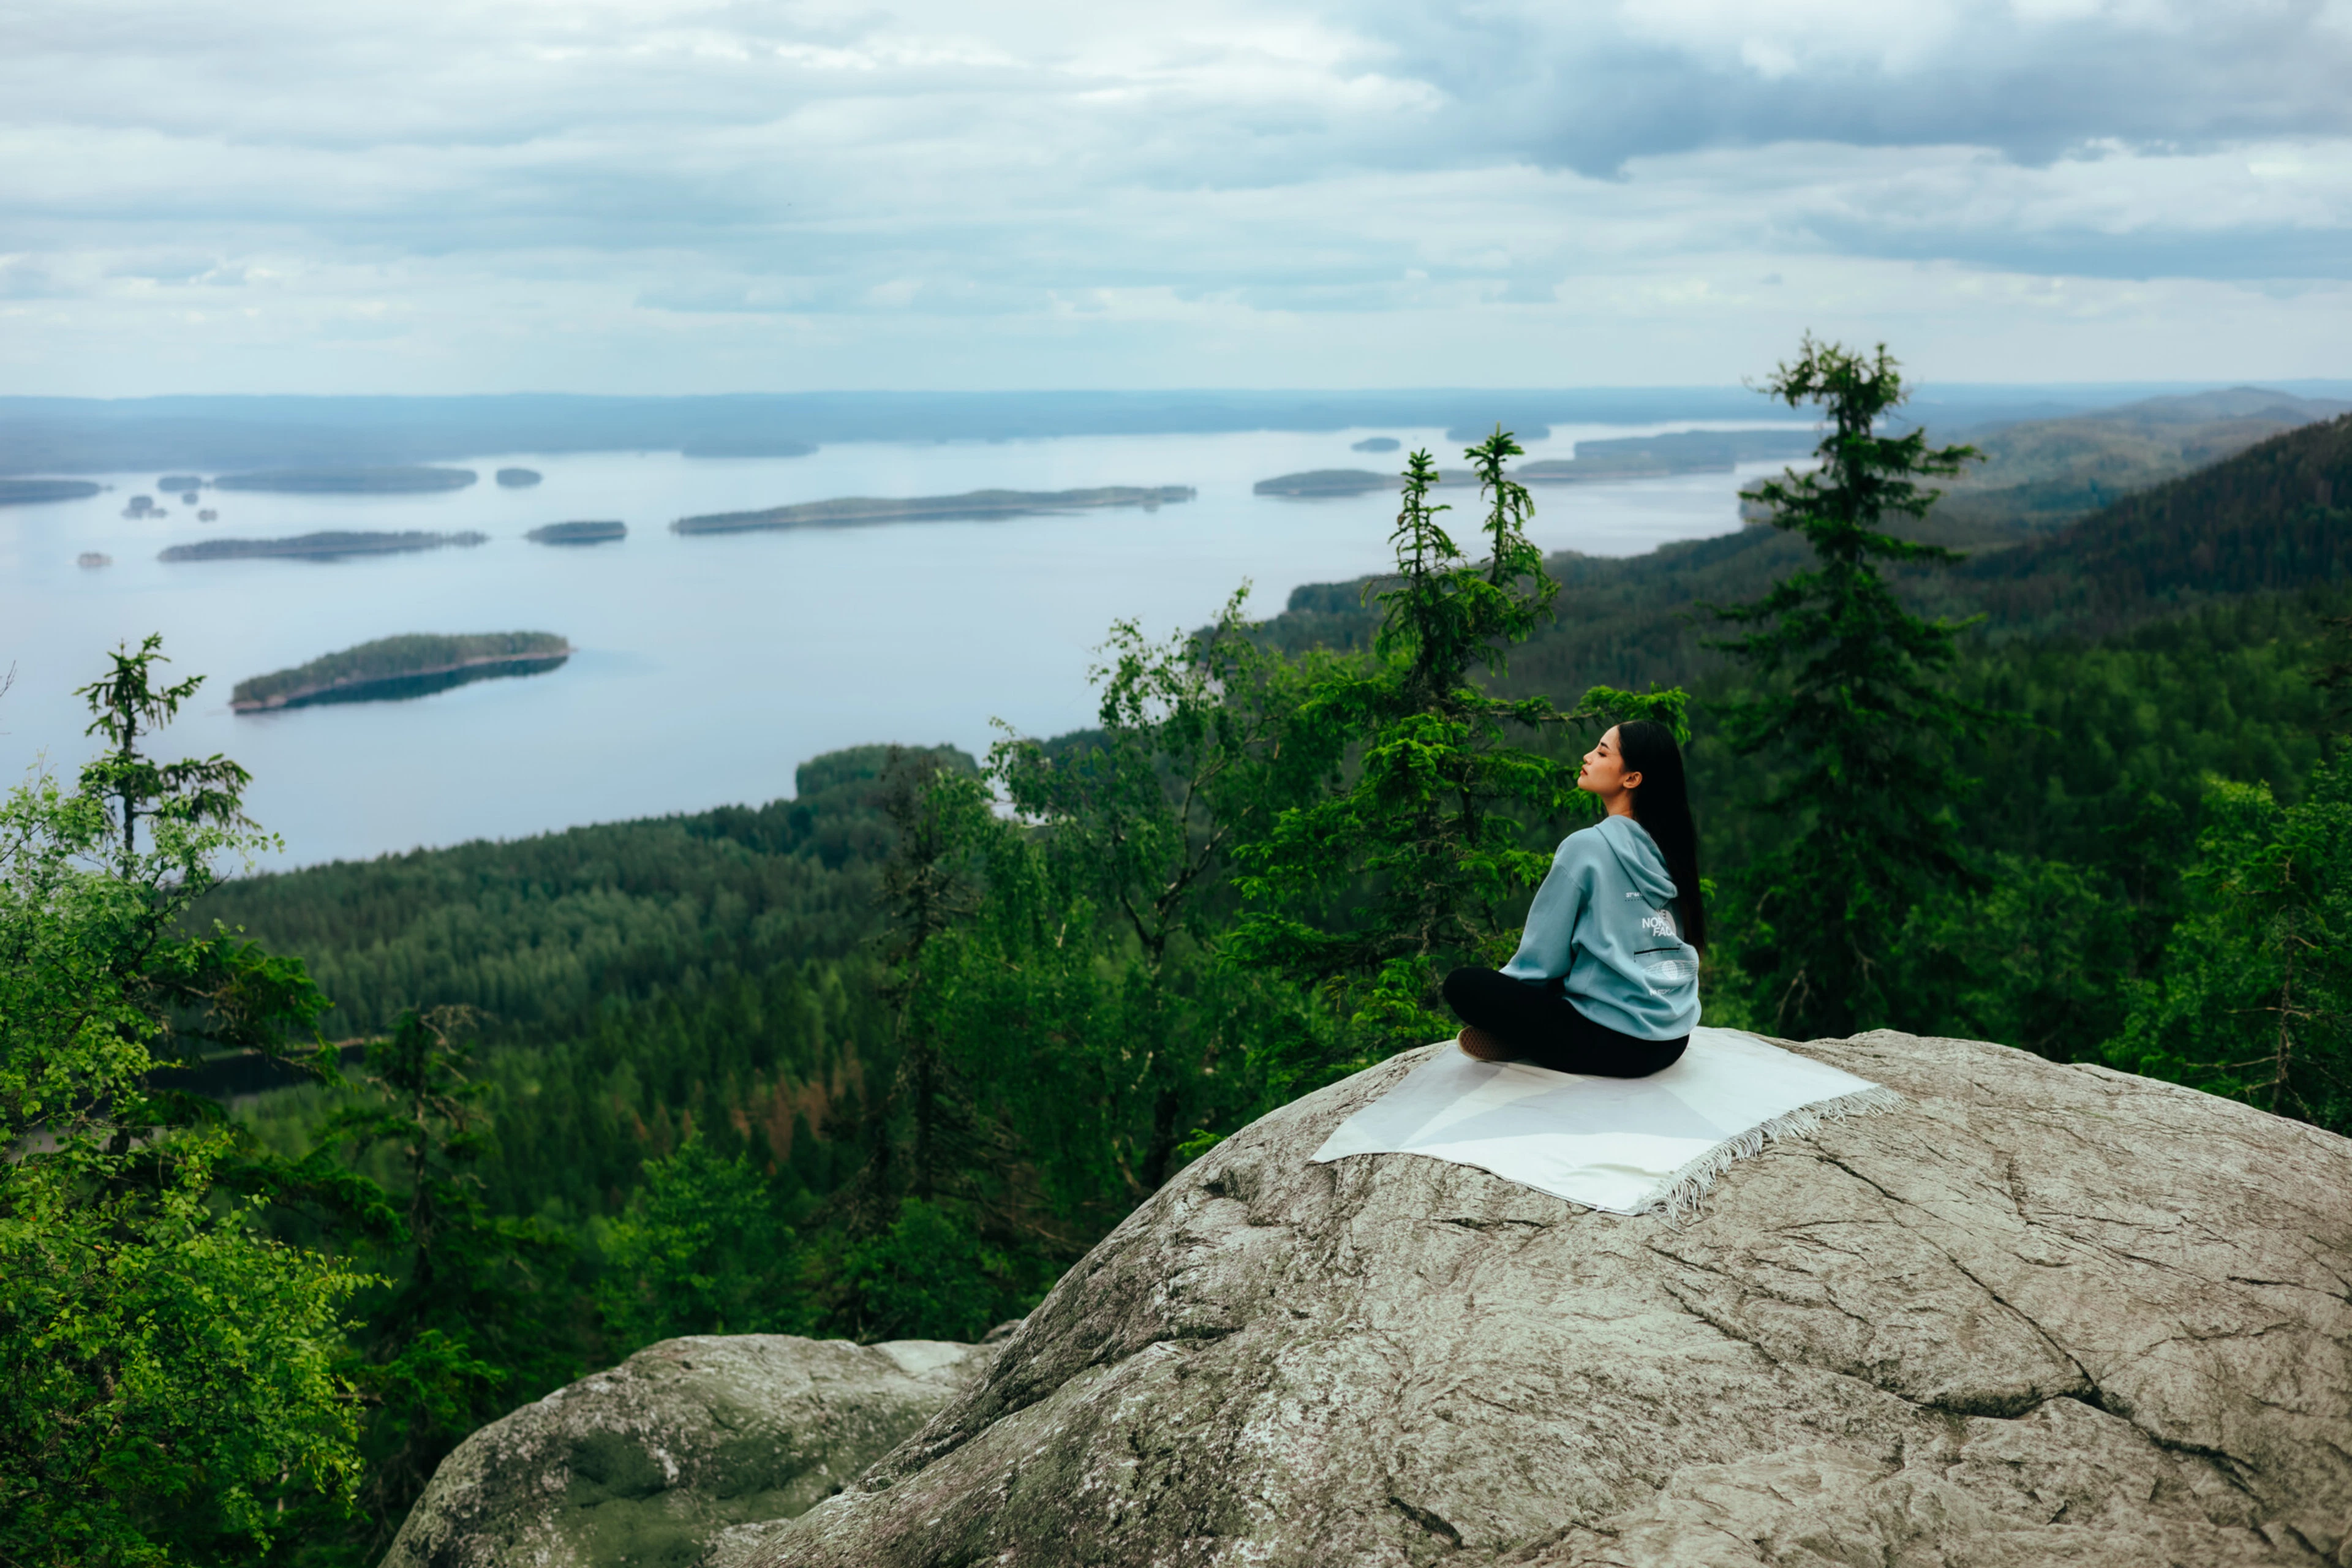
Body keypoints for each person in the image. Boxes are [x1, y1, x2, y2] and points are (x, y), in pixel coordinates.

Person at [1443, 720, 1704, 1076]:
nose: (1587, 756)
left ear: (1632, 779)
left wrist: (1511, 1009)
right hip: (1673, 1037)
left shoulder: (1586, 848)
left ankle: (1525, 1039)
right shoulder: (1671, 847)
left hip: (1615, 1044)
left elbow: (1540, 964)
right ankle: (1536, 1035)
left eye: (1601, 752)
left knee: (1462, 985)